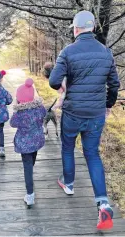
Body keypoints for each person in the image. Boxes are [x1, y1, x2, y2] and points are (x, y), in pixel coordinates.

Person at [49, 10, 120, 230]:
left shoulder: (68, 51)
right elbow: (114, 85)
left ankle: (68, 184)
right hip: (96, 114)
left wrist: (62, 87)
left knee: (68, 148)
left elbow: (53, 80)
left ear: (77, 29)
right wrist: (107, 105)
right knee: (92, 154)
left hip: (72, 112)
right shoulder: (106, 52)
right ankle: (102, 202)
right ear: (92, 28)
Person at [10, 79, 46, 207]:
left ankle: (30, 195)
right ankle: (30, 174)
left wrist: (15, 110)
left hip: (24, 144)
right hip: (36, 141)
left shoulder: (19, 113)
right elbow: (44, 113)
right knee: (32, 159)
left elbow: (12, 124)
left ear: (19, 99)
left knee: (27, 166)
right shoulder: (39, 109)